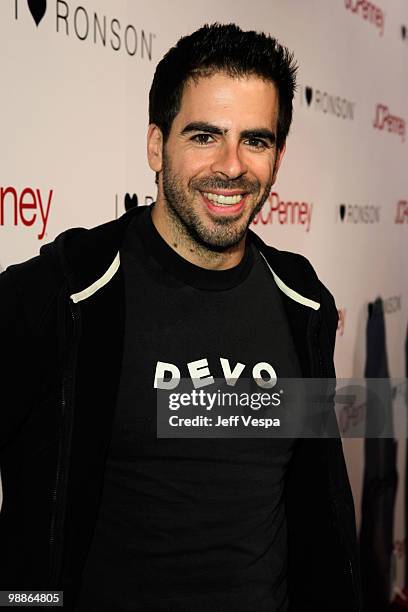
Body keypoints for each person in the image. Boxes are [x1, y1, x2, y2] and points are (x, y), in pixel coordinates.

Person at [0, 23, 361, 611]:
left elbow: (312, 502)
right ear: (155, 145)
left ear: (278, 156)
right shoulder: (68, 293)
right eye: (204, 135)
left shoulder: (302, 301)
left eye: (256, 140)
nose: (231, 166)